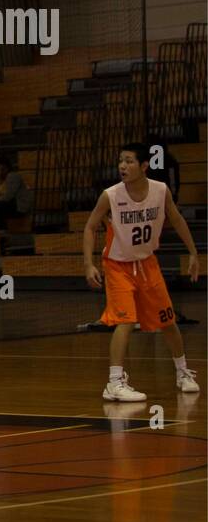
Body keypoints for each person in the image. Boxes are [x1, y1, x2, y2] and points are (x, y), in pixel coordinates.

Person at [83, 143, 200, 400]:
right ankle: (114, 383)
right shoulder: (110, 195)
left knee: (168, 320)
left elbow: (177, 218)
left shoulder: (160, 190)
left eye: (129, 161)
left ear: (144, 165)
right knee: (125, 320)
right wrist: (88, 263)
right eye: (120, 161)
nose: (122, 166)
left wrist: (193, 252)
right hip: (117, 266)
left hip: (147, 264)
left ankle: (182, 373)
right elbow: (90, 227)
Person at [0, 155, 31, 233]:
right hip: (4, 205)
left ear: (3, 165)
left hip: (18, 207)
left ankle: (3, 229)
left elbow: (8, 196)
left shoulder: (12, 176)